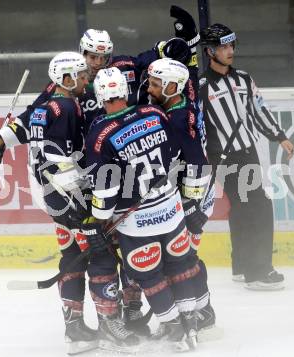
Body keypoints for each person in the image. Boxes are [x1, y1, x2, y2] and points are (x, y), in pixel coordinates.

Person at [0, 51, 100, 355]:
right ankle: (106, 324)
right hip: (66, 194)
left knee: (73, 253)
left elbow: (26, 125)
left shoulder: (52, 102)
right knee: (98, 257)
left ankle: (75, 328)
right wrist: (83, 202)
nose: (88, 78)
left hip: (53, 196)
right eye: (82, 74)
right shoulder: (65, 106)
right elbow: (56, 162)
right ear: (67, 79)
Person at [83, 67, 201, 352]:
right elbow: (174, 156)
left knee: (150, 276)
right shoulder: (154, 113)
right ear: (124, 90)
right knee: (180, 266)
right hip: (171, 210)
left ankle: (174, 330)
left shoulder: (100, 133)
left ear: (100, 95)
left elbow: (105, 189)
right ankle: (191, 326)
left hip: (137, 222)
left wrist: (97, 220)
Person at [198, 24, 294, 291]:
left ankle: (242, 265)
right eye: (223, 47)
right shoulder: (201, 87)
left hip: (248, 152)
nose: (229, 51)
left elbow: (258, 110)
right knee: (258, 207)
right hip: (226, 158)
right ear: (209, 52)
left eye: (231, 46)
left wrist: (280, 136)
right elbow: (196, 127)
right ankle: (258, 271)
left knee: (243, 208)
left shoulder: (243, 78)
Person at [146, 58, 217, 336]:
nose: (149, 89)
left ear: (172, 86)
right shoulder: (179, 103)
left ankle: (205, 312)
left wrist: (192, 204)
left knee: (186, 259)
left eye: (155, 84)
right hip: (190, 194)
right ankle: (197, 311)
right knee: (183, 259)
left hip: (193, 196)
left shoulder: (176, 118)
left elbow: (197, 162)